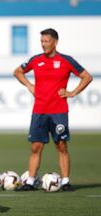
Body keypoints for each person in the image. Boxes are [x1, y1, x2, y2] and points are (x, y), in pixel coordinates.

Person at [13, 28, 93, 191]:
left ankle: (65, 181)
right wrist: (29, 85)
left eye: (46, 41)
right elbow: (18, 71)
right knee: (36, 146)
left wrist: (72, 93)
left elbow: (87, 76)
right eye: (41, 41)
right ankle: (30, 180)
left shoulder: (66, 60)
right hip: (39, 110)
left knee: (61, 145)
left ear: (55, 42)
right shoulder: (36, 60)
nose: (43, 44)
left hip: (59, 111)